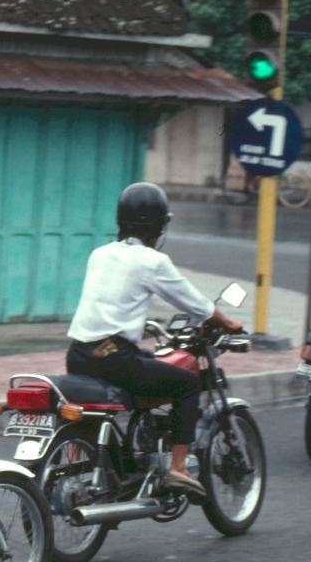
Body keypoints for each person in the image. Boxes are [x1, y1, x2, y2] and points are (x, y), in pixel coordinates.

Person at [66, 182, 243, 498]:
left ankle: (124, 451)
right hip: (114, 358)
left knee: (147, 362)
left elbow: (114, 299)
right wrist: (228, 322)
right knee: (185, 384)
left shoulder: (101, 253)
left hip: (79, 354)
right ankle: (178, 467)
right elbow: (195, 303)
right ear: (160, 225)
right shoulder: (152, 261)